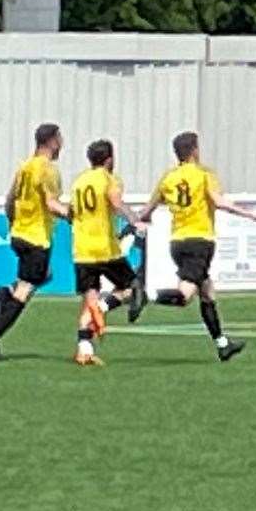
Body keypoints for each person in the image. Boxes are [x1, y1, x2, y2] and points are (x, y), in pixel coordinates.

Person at [138, 130, 256, 361]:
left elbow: (149, 209)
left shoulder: (168, 178)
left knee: (207, 292)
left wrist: (141, 219)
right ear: (194, 151)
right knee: (186, 295)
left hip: (177, 242)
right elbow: (219, 202)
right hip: (199, 240)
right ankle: (144, 295)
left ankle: (222, 345)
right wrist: (251, 215)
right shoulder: (203, 174)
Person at [0, 123, 70, 362]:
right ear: (52, 141)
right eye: (60, 139)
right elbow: (51, 204)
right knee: (26, 290)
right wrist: (73, 215)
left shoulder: (25, 167)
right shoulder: (48, 169)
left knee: (43, 276)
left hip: (20, 234)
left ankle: (5, 292)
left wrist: (12, 226)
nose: (61, 144)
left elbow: (10, 200)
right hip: (37, 237)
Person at [70, 139, 149, 367]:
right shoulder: (108, 179)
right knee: (133, 287)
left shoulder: (79, 182)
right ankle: (102, 309)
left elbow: (73, 211)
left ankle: (84, 351)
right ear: (110, 160)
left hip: (82, 250)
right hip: (105, 249)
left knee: (89, 299)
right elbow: (116, 203)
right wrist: (136, 221)